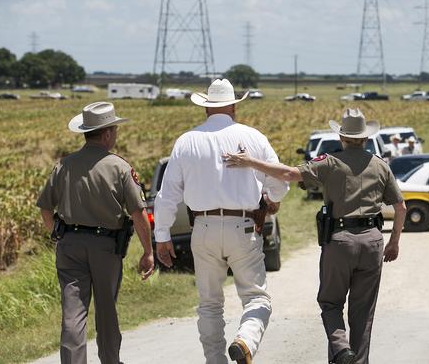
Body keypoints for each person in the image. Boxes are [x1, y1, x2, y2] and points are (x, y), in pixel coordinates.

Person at [223, 108, 407, 364]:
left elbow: (288, 174)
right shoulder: (380, 165)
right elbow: (401, 207)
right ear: (365, 138)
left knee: (330, 303)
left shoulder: (329, 161)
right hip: (373, 241)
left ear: (342, 137)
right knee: (363, 315)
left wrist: (250, 161)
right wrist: (394, 241)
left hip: (340, 240)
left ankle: (341, 350)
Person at [154, 79, 289, 364]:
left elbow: (167, 196)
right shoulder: (253, 137)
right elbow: (279, 180)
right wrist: (273, 197)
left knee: (209, 304)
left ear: (205, 108)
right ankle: (246, 340)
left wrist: (163, 235)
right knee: (256, 298)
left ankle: (215, 360)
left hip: (202, 227)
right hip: (242, 227)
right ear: (234, 106)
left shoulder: (186, 141)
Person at [36, 102, 155, 364]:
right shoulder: (119, 167)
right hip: (105, 248)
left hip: (69, 246)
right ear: (107, 133)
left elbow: (45, 208)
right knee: (106, 312)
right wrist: (148, 252)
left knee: (72, 314)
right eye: (115, 130)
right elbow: (138, 214)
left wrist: (57, 233)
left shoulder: (64, 165)